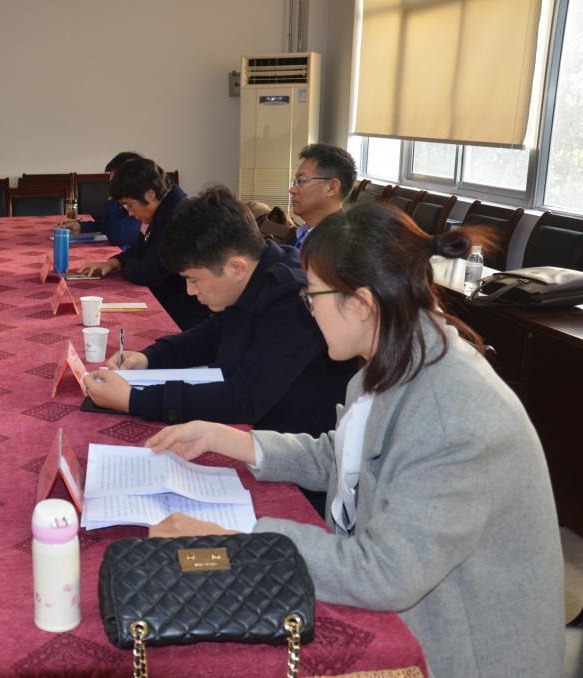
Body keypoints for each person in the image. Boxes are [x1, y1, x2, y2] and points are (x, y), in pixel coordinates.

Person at [144, 203, 564, 677]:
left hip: (460, 650)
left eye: (312, 296)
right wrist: (228, 439)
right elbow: (347, 456)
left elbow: (385, 571)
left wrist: (242, 541)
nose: (308, 310)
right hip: (412, 611)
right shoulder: (393, 355)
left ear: (361, 303)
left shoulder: (453, 412)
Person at [83, 185, 356, 436]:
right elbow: (213, 333)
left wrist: (135, 399)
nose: (190, 290)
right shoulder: (254, 272)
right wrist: (149, 358)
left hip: (291, 445)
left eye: (194, 279)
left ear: (236, 268)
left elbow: (244, 400)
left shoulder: (291, 299)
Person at [79, 158, 209, 330]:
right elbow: (137, 252)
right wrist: (114, 263)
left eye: (130, 205)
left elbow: (147, 273)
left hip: (182, 316)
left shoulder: (176, 218)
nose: (130, 213)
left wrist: (125, 266)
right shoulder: (160, 211)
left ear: (150, 194)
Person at [61, 151, 142, 250]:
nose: (113, 188)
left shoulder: (140, 205)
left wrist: (112, 202)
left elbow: (116, 238)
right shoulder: (123, 202)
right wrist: (80, 226)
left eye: (115, 183)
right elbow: (107, 225)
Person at [289, 143, 356, 248]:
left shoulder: (339, 247)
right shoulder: (305, 233)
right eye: (295, 182)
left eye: (302, 180)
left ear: (332, 188)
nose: (292, 190)